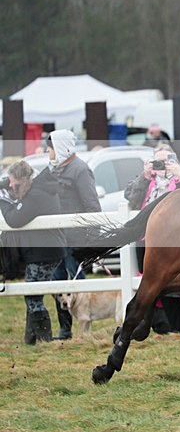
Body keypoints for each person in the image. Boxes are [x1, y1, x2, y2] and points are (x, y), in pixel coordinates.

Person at [124, 144, 180, 334]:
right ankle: (167, 328)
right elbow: (130, 197)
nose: (162, 165)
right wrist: (144, 176)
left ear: (175, 161)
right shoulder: (147, 182)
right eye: (158, 161)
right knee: (154, 282)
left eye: (167, 160)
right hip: (148, 239)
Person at [0, 161, 67, 344]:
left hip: (43, 252)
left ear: (23, 180)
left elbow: (14, 219)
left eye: (14, 182)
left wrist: (3, 200)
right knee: (33, 293)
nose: (11, 185)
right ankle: (30, 339)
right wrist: (6, 185)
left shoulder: (36, 194)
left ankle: (44, 339)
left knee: (32, 294)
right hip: (46, 250)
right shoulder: (38, 187)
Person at [45, 130, 103, 340]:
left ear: (59, 147)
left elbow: (92, 206)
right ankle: (65, 328)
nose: (47, 151)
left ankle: (84, 325)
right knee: (58, 283)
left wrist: (93, 239)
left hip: (76, 238)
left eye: (50, 147)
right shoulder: (51, 170)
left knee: (78, 282)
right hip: (55, 239)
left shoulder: (80, 170)